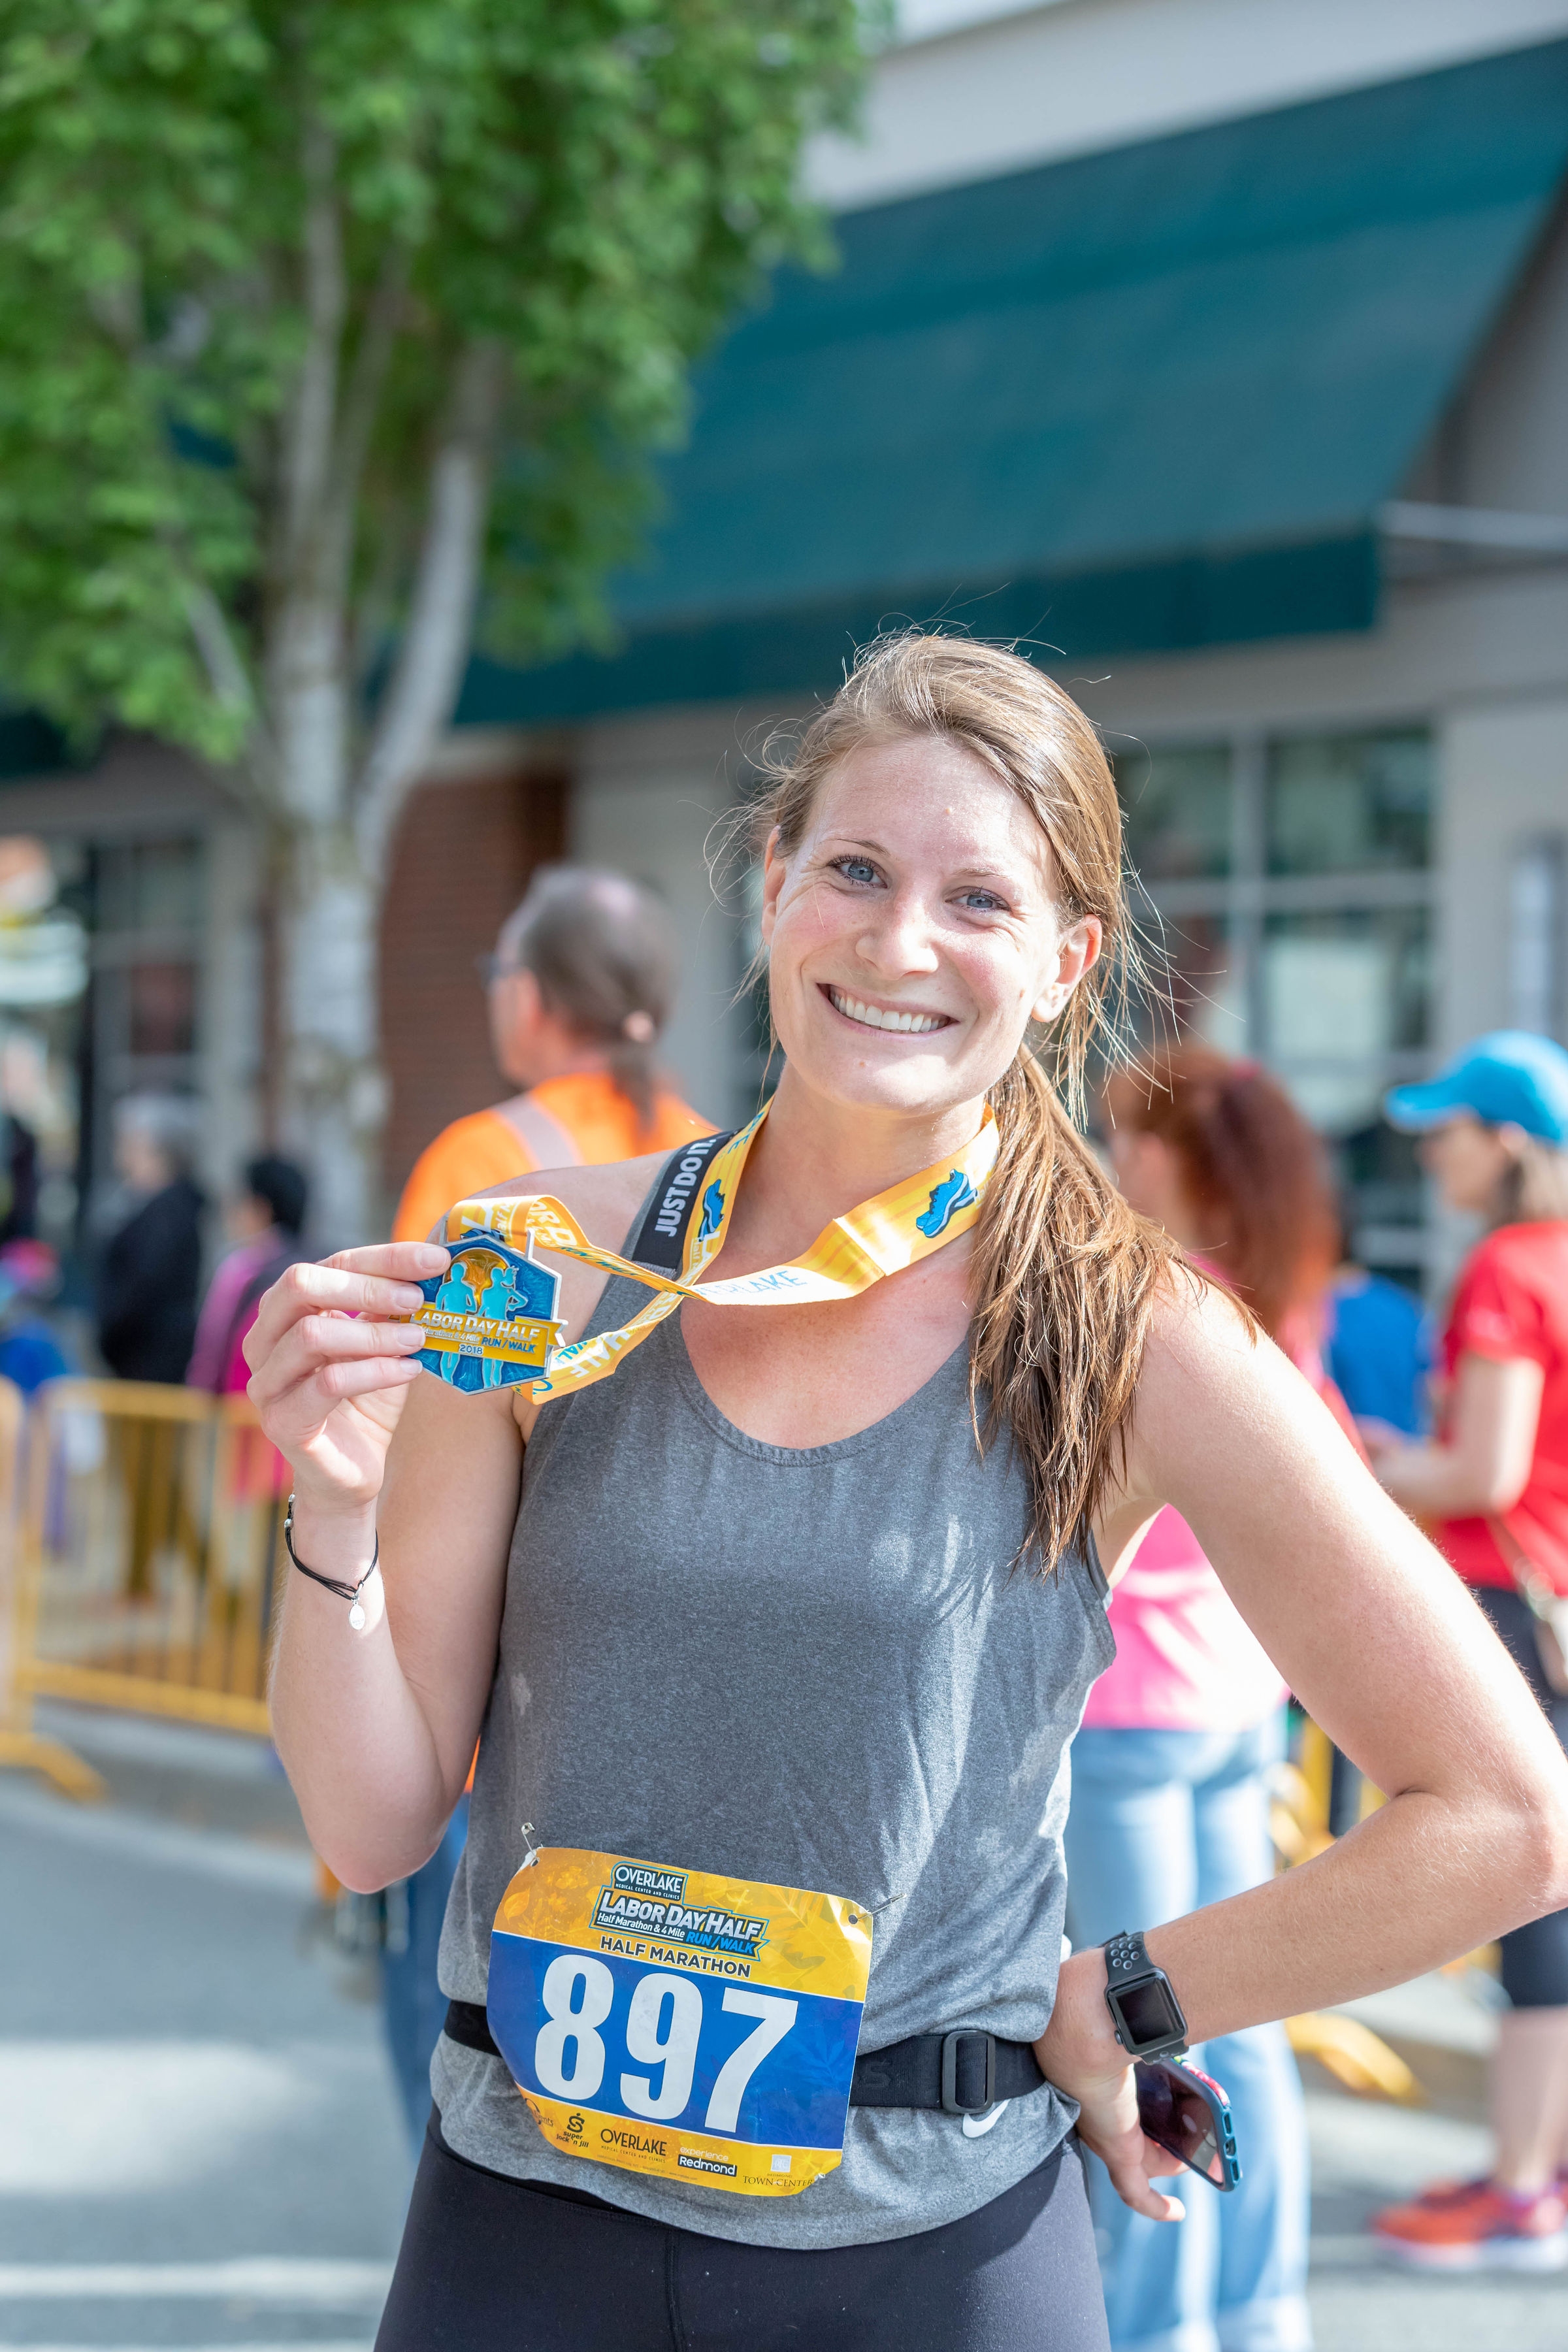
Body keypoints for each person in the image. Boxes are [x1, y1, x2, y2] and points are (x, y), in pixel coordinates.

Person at [248, 637, 1568, 2352]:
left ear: (1067, 959)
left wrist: (1134, 2000)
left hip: (927, 2260)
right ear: (773, 880)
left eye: (979, 900)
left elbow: (1509, 1813)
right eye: (855, 871)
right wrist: (330, 1509)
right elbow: (369, 1827)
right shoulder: (539, 1260)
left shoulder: (1134, 1335)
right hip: (522, 2233)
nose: (900, 943)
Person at [1069, 1049, 1353, 2352]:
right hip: (1238, 1711)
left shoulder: (1150, 1309)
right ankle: (1258, 2320)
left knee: (1146, 2050)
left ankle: (1163, 2331)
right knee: (1244, 2033)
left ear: (1182, 1161)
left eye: (1134, 1139)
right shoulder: (1278, 1313)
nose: (1116, 1158)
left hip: (1129, 1720)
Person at [1364, 1031, 1568, 2265]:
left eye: (1444, 1132)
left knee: (1536, 1893)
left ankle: (1519, 2186)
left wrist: (1368, 1467)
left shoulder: (1506, 1269)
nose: (1430, 1152)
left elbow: (1483, 1471)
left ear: (1503, 1144)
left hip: (1514, 1614)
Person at [391, 865, 713, 1245]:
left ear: (527, 996)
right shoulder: (714, 1163)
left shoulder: (479, 1161)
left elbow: (413, 1302)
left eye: (497, 971)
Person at [95, 1095, 204, 1383]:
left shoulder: (167, 1214)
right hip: (143, 1361)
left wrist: (112, 1334)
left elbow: (141, 1289)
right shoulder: (152, 1205)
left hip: (150, 1364)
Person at [188, 1156, 310, 1394]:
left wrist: (199, 1390)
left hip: (239, 1406)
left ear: (260, 1208)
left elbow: (212, 1347)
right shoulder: (310, 1267)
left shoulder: (240, 1269)